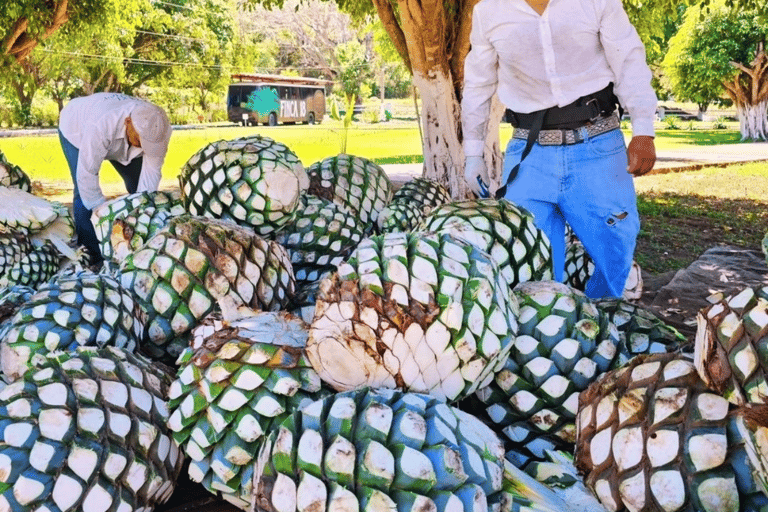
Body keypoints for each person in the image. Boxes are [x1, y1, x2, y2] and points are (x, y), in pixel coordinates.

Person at [461, 0, 657, 299]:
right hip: (529, 155)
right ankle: (546, 330)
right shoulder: (489, 11)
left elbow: (629, 60)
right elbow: (478, 83)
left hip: (598, 146)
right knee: (526, 253)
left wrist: (643, 130)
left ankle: (605, 319)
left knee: (615, 244)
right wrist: (473, 154)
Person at [58, 93, 172, 265]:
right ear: (128, 123)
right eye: (141, 140)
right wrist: (103, 219)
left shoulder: (158, 128)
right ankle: (90, 253)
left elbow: (151, 175)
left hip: (116, 137)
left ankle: (138, 245)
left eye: (149, 143)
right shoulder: (101, 124)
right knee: (82, 193)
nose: (144, 146)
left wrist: (143, 211)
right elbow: (87, 175)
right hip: (76, 127)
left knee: (138, 189)